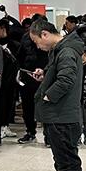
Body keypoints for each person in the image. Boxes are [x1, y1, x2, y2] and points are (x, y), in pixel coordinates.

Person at [30, 20, 85, 171]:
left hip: (63, 118)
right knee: (62, 167)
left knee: (69, 169)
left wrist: (48, 95)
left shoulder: (67, 51)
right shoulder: (61, 50)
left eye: (36, 41)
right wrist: (45, 76)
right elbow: (60, 74)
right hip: (58, 116)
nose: (37, 46)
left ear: (45, 34)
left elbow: (67, 80)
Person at [17, 15, 50, 144]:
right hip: (28, 76)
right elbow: (20, 56)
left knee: (45, 106)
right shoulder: (26, 37)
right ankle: (30, 131)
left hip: (44, 77)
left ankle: (48, 135)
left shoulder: (49, 38)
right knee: (28, 107)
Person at [0, 19, 20, 138]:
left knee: (9, 103)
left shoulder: (15, 45)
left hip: (10, 80)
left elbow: (18, 62)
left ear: (3, 29)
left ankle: (5, 125)